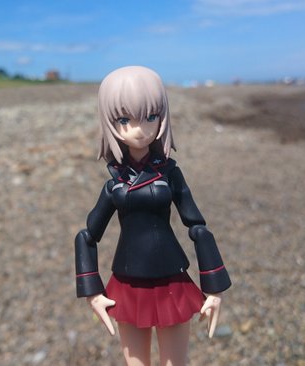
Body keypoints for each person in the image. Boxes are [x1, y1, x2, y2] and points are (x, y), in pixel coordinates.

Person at [74, 66, 231, 366]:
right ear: (110, 122)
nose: (139, 129)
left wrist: (214, 287)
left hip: (172, 278)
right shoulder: (114, 184)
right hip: (127, 283)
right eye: (124, 119)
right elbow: (88, 235)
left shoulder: (170, 173)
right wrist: (91, 291)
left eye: (150, 116)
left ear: (162, 116)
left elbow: (197, 226)